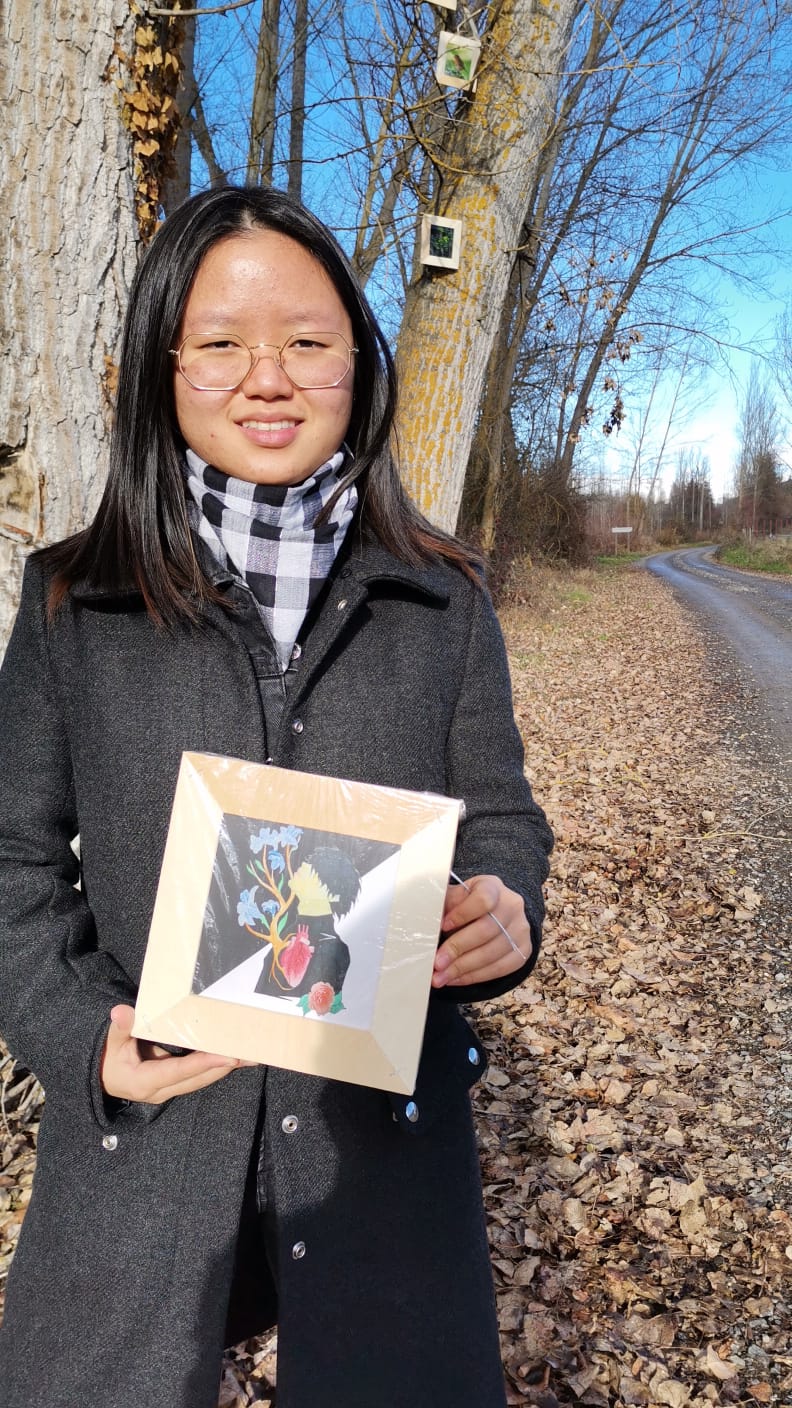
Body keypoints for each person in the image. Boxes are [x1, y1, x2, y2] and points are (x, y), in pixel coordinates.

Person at [0, 185, 553, 1408]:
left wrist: (505, 906)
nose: (269, 379)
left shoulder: (442, 600)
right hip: (146, 1135)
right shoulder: (68, 606)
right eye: (220, 344)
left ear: (360, 359)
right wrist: (78, 1034)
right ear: (160, 365)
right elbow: (11, 865)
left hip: (377, 1149)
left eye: (307, 342)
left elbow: (503, 816)